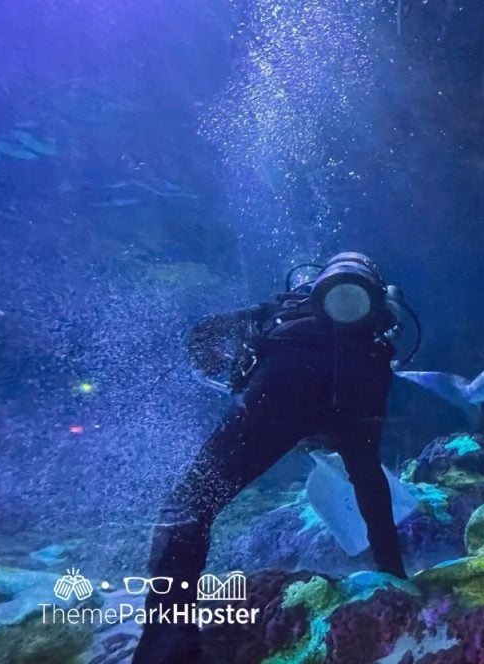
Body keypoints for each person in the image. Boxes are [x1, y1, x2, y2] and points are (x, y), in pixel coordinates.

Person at [133, 252, 409, 664]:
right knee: (367, 477)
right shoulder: (372, 336)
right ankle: (394, 581)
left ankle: (166, 647)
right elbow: (368, 481)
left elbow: (202, 335)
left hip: (277, 389)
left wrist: (227, 373)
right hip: (358, 387)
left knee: (191, 505)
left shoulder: (284, 309)